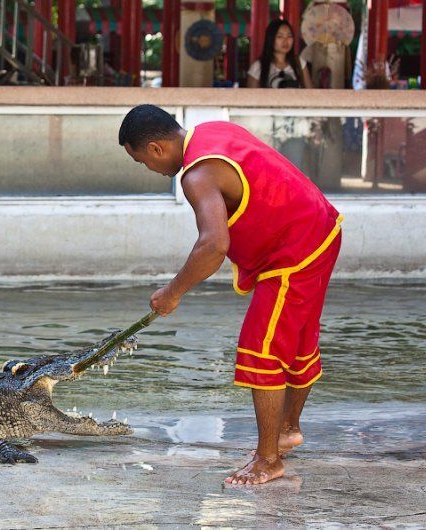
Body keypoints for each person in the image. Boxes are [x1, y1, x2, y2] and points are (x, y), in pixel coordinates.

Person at [119, 105, 342, 485]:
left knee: (261, 349)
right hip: (323, 227)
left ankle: (268, 460)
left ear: (156, 149)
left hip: (294, 253)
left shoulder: (196, 175)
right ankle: (288, 428)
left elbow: (213, 245)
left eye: (143, 162)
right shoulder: (213, 131)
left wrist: (172, 293)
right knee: (299, 338)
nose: (151, 170)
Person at [247, 19, 313, 89]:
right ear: (271, 39)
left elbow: (310, 93)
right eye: (280, 36)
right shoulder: (258, 67)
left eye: (289, 36)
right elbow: (251, 97)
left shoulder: (299, 63)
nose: (285, 41)